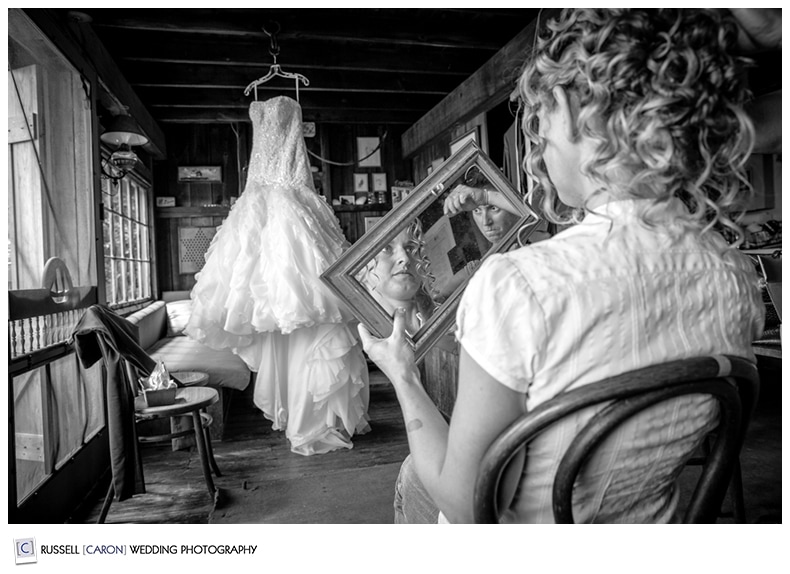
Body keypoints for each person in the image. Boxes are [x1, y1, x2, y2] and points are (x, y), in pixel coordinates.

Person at [358, 8, 765, 523]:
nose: (537, 139)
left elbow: (468, 508)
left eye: (539, 115)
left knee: (414, 481)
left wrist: (402, 374)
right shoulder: (734, 276)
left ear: (575, 108)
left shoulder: (518, 285)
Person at [186, 95, 370, 456]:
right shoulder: (280, 100)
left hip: (289, 201)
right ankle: (298, 415)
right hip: (265, 206)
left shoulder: (293, 99)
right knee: (287, 320)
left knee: (306, 318)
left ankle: (311, 418)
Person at [357, 220, 436, 336]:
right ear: (361, 265)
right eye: (386, 248)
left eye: (410, 248)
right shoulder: (356, 336)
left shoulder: (445, 319)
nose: (405, 258)